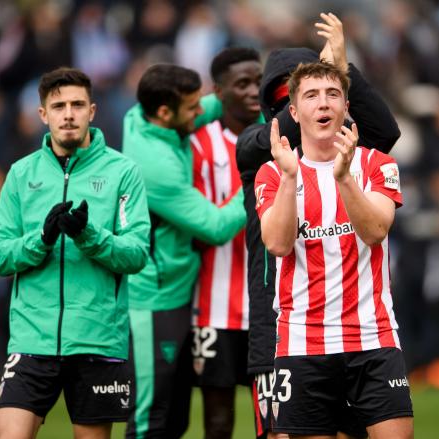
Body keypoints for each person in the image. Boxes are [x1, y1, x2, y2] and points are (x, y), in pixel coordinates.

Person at [236, 12, 401, 439]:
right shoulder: (257, 146)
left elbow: (384, 132)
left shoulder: (360, 158)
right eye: (304, 93)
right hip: (279, 317)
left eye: (332, 94)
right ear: (284, 101)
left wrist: (341, 72)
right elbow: (296, 126)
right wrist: (332, 83)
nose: (321, 104)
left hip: (360, 327)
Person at [0, 67, 151, 439]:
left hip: (97, 338)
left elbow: (137, 252)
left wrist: (88, 235)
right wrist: (40, 239)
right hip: (32, 337)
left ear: (92, 111)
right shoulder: (20, 173)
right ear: (42, 115)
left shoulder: (123, 172)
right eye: (58, 106)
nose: (69, 113)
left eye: (77, 104)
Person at [122, 64, 246, 439]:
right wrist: (258, 175)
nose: (200, 112)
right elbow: (217, 226)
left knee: (175, 419)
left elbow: (215, 105)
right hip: (153, 301)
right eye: (192, 108)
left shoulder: (148, 114)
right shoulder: (155, 167)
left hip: (179, 293)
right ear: (164, 112)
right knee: (149, 419)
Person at [189, 47, 262, 439]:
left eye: (259, 81)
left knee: (272, 419)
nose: (254, 91)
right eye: (243, 84)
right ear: (219, 91)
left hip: (272, 308)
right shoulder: (198, 144)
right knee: (218, 421)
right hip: (214, 307)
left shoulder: (282, 137)